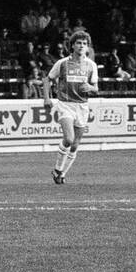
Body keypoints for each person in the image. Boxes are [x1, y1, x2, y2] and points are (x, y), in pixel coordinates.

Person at [43, 29, 99, 185]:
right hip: (65, 104)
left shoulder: (91, 65)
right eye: (79, 43)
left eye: (85, 44)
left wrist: (90, 87)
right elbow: (47, 80)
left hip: (82, 106)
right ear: (72, 46)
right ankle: (58, 169)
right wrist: (47, 99)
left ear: (88, 47)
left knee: (75, 145)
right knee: (69, 138)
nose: (82, 46)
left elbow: (95, 88)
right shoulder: (62, 63)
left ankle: (60, 172)